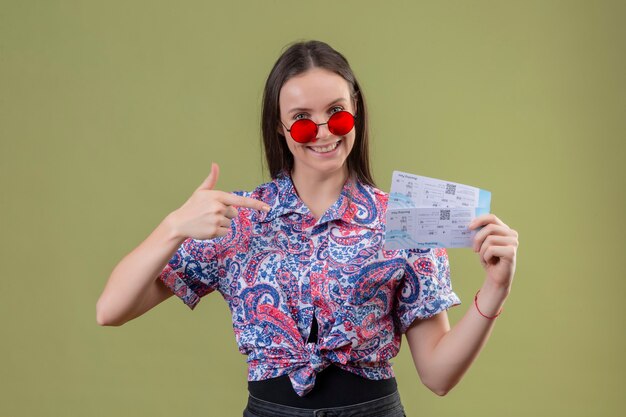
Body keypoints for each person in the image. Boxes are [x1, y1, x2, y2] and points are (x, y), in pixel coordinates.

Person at [96, 40, 519, 417]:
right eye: (302, 119)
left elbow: (438, 376)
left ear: (355, 111)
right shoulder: (239, 219)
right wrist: (173, 226)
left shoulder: (404, 219)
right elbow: (110, 310)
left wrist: (495, 287)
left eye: (336, 113)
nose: (322, 133)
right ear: (280, 129)